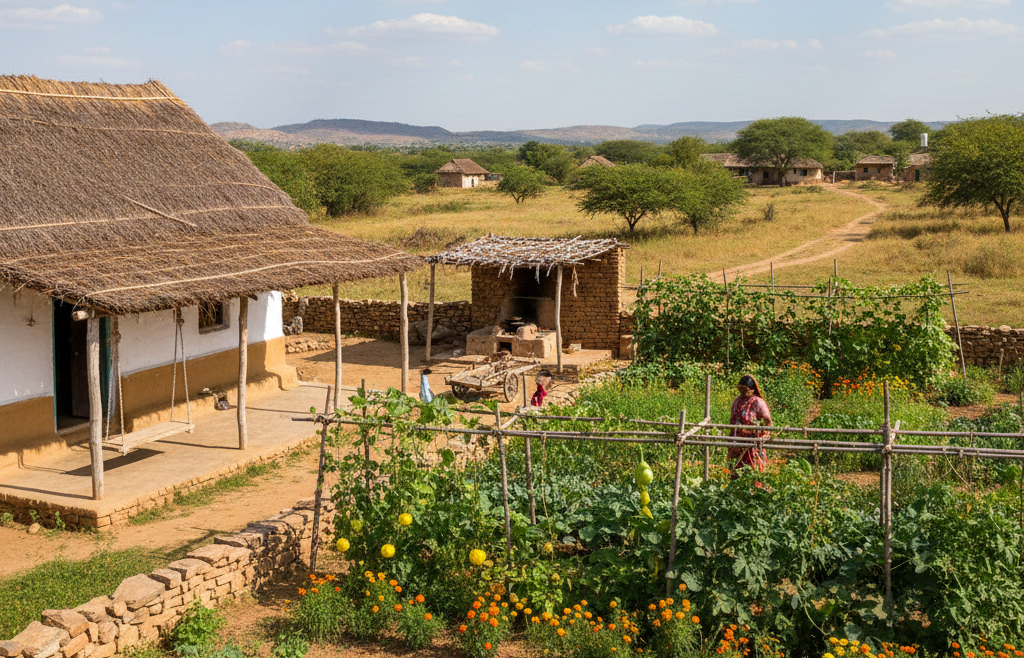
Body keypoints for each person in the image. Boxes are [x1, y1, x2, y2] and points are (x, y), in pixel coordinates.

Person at [728, 374, 771, 479]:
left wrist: (763, 437)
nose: (742, 392)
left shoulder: (758, 403)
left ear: (752, 390)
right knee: (736, 474)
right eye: (740, 389)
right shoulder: (737, 401)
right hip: (737, 445)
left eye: (744, 389)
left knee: (752, 475)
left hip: (752, 446)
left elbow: (768, 423)